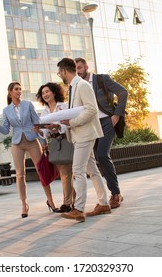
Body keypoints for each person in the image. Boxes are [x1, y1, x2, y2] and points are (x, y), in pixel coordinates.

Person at [0, 81, 58, 218]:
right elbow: (5, 130)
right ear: (10, 92)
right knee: (20, 175)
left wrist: (43, 140)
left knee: (42, 172)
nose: (19, 91)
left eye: (20, 89)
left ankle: (50, 201)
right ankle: (24, 205)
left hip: (32, 141)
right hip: (17, 143)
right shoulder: (6, 110)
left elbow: (37, 123)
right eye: (16, 89)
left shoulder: (28, 105)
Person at [57, 58, 111, 222]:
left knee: (77, 170)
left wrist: (72, 122)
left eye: (59, 72)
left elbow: (92, 110)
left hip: (85, 134)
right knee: (92, 170)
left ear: (65, 71)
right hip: (80, 134)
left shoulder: (82, 85)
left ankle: (79, 208)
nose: (59, 75)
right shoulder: (74, 87)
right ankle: (103, 203)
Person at [75, 57, 128, 209]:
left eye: (80, 67)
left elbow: (123, 92)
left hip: (106, 122)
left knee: (102, 154)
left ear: (86, 67)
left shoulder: (101, 79)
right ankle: (104, 196)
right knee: (95, 159)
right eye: (76, 69)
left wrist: (117, 115)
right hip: (90, 124)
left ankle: (116, 193)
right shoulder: (78, 86)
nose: (78, 71)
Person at [35, 82, 75, 213]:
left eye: (47, 91)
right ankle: (75, 202)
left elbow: (69, 124)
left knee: (65, 173)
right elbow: (45, 133)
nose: (45, 95)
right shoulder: (44, 112)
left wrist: (57, 126)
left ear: (54, 92)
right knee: (64, 175)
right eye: (43, 93)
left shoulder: (63, 106)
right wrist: (39, 131)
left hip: (66, 140)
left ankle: (67, 203)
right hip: (54, 144)